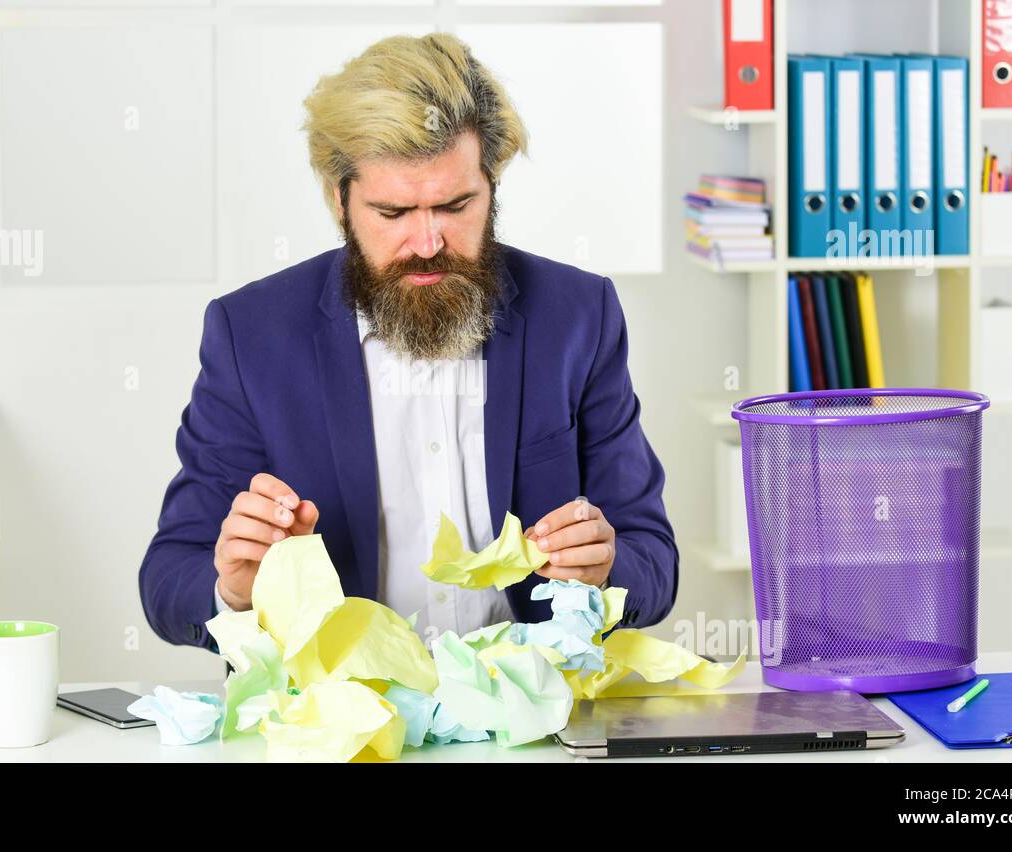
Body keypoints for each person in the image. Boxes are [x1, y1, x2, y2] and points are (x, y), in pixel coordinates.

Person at [139, 32, 677, 652]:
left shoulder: (579, 315)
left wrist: (607, 569)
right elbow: (167, 580)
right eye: (393, 213)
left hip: (532, 725)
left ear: (491, 185)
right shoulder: (251, 334)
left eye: (455, 205)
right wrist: (231, 589)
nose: (428, 243)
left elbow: (654, 563)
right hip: (343, 731)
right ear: (340, 201)